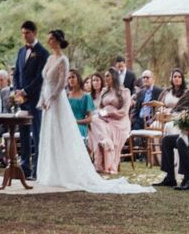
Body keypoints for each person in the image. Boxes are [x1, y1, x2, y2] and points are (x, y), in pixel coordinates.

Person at [32, 29, 151, 196]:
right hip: (47, 101)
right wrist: (42, 100)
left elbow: (60, 84)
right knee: (49, 135)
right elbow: (46, 82)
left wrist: (51, 98)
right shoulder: (49, 58)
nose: (49, 41)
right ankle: (49, 172)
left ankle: (66, 173)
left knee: (60, 133)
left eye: (51, 39)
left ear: (58, 41)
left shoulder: (63, 60)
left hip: (57, 100)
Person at [12, 21, 48, 181]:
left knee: (37, 134)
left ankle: (37, 169)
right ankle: (25, 167)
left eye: (27, 33)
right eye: (22, 33)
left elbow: (40, 77)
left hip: (36, 100)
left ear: (34, 32)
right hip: (22, 101)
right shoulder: (21, 51)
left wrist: (26, 91)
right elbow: (16, 73)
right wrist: (17, 91)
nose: (24, 36)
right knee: (24, 134)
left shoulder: (42, 53)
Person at [90, 68, 130, 174]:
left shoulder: (124, 92)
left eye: (107, 76)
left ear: (114, 76)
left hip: (120, 122)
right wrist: (102, 114)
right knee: (93, 120)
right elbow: (99, 108)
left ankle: (108, 155)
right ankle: (106, 146)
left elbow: (124, 111)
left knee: (98, 127)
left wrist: (110, 113)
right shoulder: (104, 91)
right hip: (105, 120)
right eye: (105, 76)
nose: (105, 78)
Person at [66, 69, 94, 140]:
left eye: (73, 77)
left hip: (80, 126)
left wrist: (76, 122)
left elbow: (90, 118)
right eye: (69, 78)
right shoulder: (66, 96)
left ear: (78, 78)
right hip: (67, 125)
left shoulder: (86, 97)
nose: (71, 79)